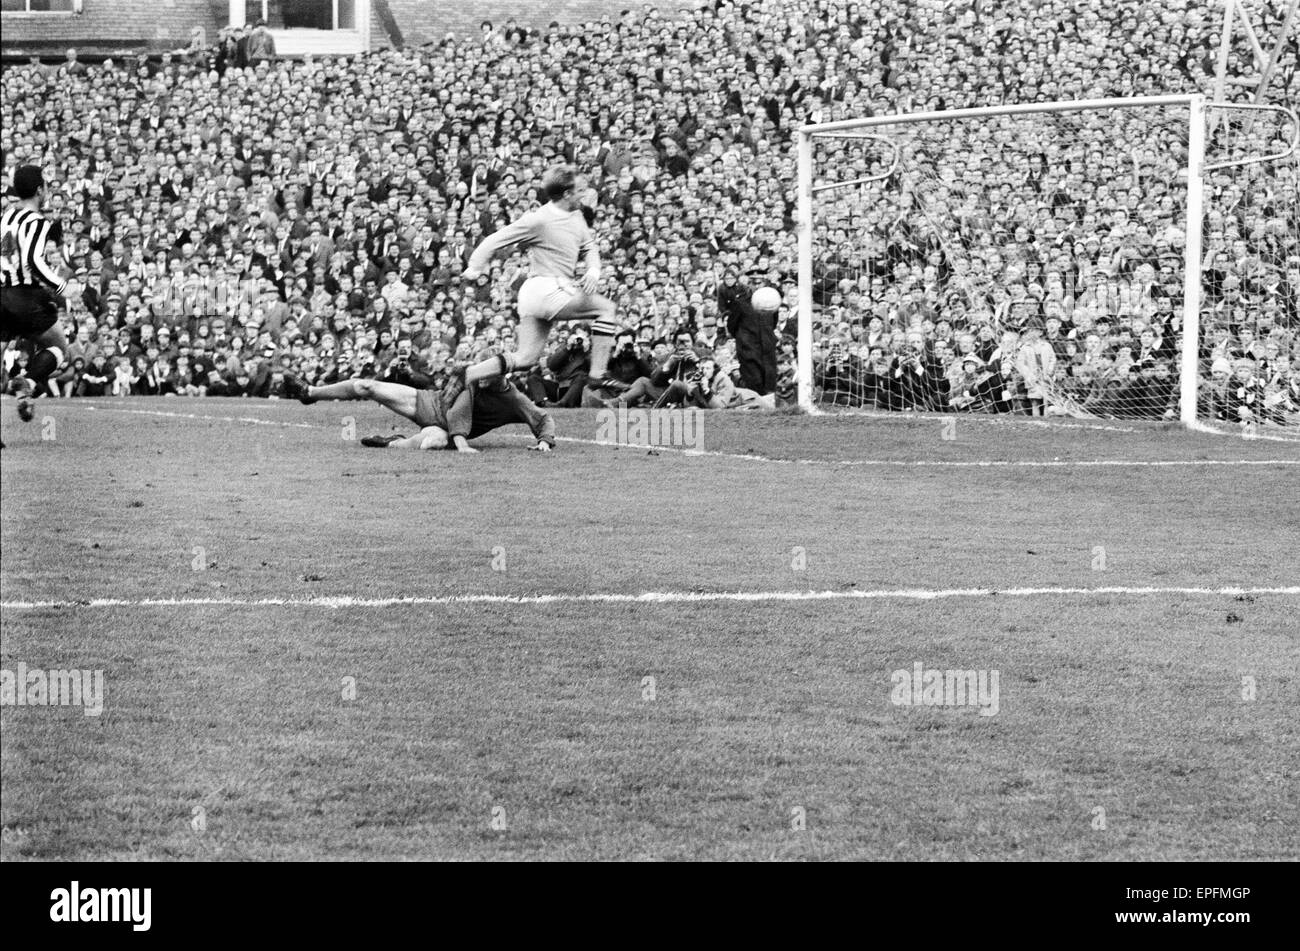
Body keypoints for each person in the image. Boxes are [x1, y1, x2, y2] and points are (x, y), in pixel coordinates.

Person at [450, 166, 619, 400]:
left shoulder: (577, 216)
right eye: (579, 191)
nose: (584, 194)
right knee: (606, 308)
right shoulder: (539, 219)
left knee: (525, 359)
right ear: (567, 194)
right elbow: (495, 239)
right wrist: (475, 267)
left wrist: (592, 270)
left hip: (538, 294)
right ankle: (598, 375)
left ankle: (467, 374)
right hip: (546, 288)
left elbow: (589, 246)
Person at [1, 165, 73, 426]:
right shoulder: (37, 222)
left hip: (2, 293)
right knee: (58, 347)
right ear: (40, 190)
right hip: (26, 298)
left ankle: (22, 393)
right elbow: (33, 260)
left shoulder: (7, 216)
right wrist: (61, 286)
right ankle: (28, 381)